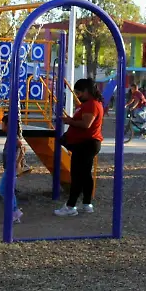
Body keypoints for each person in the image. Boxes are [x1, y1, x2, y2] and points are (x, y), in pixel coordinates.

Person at [55, 78, 104, 217]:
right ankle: (87, 203)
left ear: (87, 91)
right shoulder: (91, 104)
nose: (77, 95)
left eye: (79, 92)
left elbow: (86, 124)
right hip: (88, 143)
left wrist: (70, 121)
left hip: (85, 144)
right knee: (85, 175)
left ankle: (71, 206)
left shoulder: (91, 105)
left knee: (77, 176)